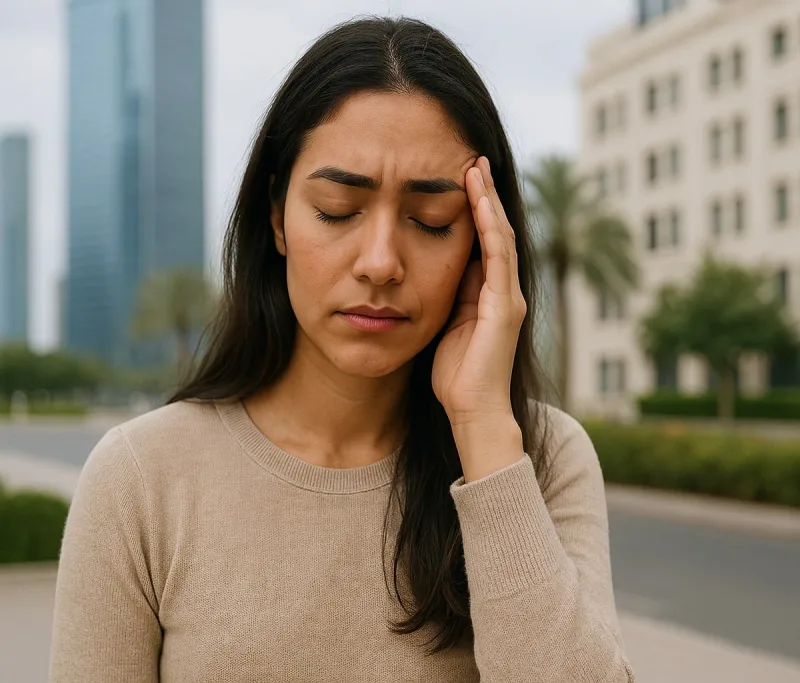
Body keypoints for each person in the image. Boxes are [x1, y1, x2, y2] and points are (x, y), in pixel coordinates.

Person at [49, 16, 634, 683]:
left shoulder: (541, 457)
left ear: (481, 240)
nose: (381, 262)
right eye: (337, 208)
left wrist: (483, 433)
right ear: (277, 217)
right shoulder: (141, 478)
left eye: (430, 221)